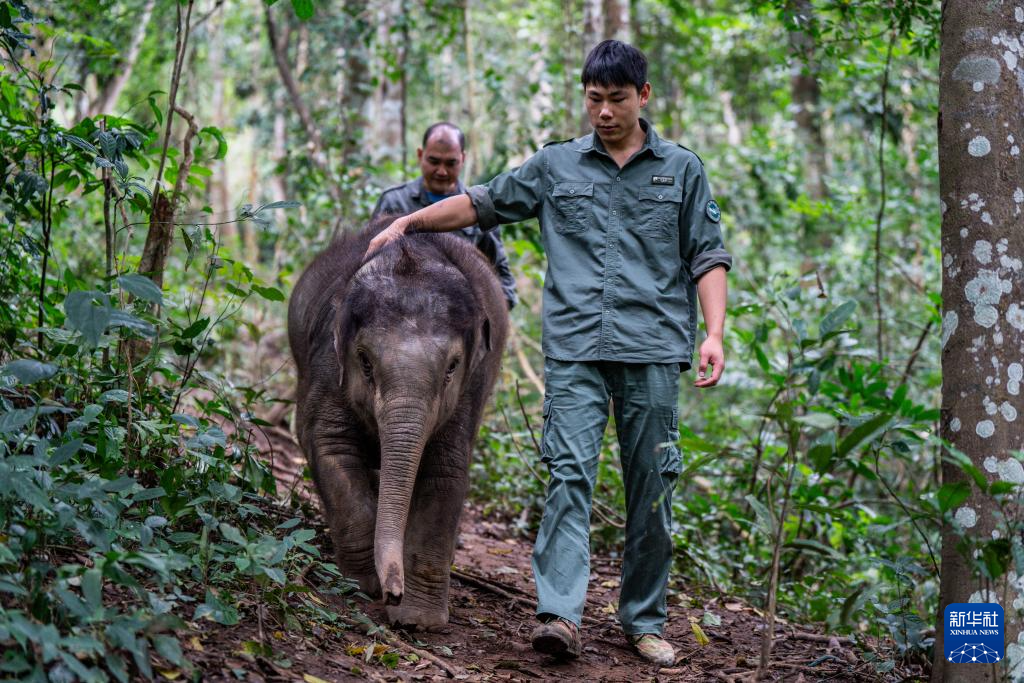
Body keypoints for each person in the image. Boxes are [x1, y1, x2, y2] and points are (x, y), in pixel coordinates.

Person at [367, 40, 730, 667]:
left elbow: (708, 254)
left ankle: (643, 621)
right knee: (569, 478)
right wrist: (411, 223)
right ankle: (559, 614)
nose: (605, 113)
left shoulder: (682, 170)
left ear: (643, 96)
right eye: (595, 100)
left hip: (651, 350)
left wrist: (714, 332)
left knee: (652, 487)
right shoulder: (556, 166)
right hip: (576, 351)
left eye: (618, 100)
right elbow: (482, 200)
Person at [372, 122, 518, 309]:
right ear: (420, 155)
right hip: (401, 315)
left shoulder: (476, 206)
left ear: (463, 159)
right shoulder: (394, 202)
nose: (441, 171)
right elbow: (371, 263)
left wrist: (490, 314)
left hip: (458, 318)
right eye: (434, 161)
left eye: (451, 163)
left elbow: (501, 275)